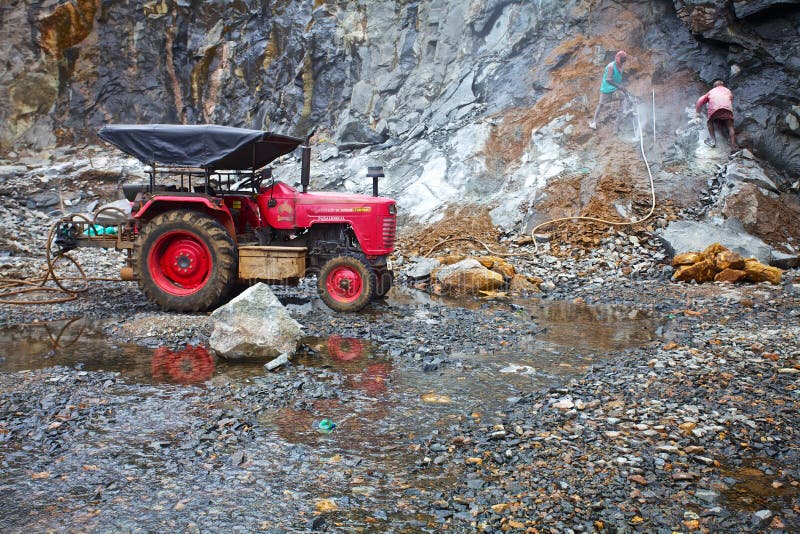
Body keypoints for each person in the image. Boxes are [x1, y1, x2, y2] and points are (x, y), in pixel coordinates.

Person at [589, 50, 629, 130]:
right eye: (621, 60)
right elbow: (608, 79)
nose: (622, 62)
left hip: (615, 88)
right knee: (601, 104)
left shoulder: (620, 65)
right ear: (617, 58)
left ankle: (622, 114)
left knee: (624, 97)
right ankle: (594, 122)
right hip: (606, 88)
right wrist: (619, 86)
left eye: (623, 61)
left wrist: (622, 87)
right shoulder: (611, 66)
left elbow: (618, 77)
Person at [695, 79, 737, 150]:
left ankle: (713, 141)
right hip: (727, 110)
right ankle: (733, 145)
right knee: (730, 126)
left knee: (709, 122)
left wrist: (697, 113)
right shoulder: (727, 90)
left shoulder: (711, 91)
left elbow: (699, 101)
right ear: (722, 85)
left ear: (714, 86)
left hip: (715, 110)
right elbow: (731, 99)